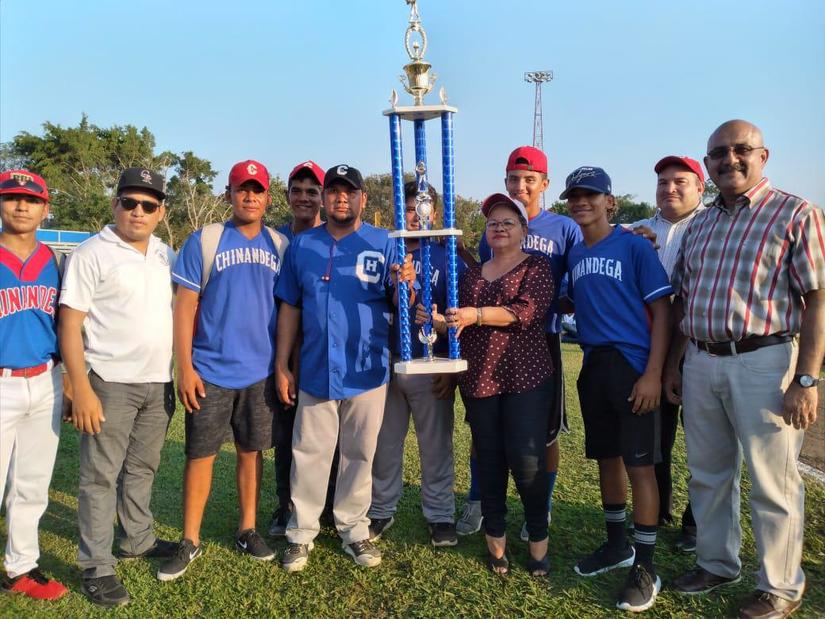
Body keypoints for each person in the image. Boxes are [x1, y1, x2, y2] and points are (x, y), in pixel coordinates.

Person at [667, 120, 824, 619]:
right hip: (701, 359)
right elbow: (683, 299)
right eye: (718, 153)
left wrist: (806, 378)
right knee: (708, 474)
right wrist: (674, 365)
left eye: (741, 150)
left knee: (773, 481)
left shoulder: (795, 213)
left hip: (765, 359)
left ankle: (780, 586)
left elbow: (818, 300)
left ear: (763, 155)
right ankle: (716, 563)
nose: (729, 159)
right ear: (707, 163)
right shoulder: (700, 224)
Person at [275, 164, 415, 571]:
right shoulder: (303, 245)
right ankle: (301, 533)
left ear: (362, 199)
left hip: (367, 369)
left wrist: (405, 283)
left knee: (359, 453)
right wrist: (282, 364)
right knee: (309, 453)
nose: (341, 197)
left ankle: (354, 529)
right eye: (334, 191)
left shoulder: (384, 242)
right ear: (324, 198)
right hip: (316, 368)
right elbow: (290, 306)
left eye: (349, 191)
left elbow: (402, 303)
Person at [158, 160, 289, 581]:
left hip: (260, 371)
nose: (250, 196)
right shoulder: (206, 240)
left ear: (268, 197)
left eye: (257, 190)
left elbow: (288, 309)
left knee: (251, 452)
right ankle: (189, 539)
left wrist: (283, 365)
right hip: (210, 369)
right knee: (200, 455)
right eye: (242, 189)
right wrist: (185, 366)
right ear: (229, 194)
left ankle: (247, 529)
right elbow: (184, 306)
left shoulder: (280, 244)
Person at [59, 167, 177, 607]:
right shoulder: (92, 253)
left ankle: (137, 538)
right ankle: (96, 565)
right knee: (100, 476)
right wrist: (80, 387)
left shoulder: (166, 253)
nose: (138, 211)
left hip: (157, 381)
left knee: (142, 468)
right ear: (115, 205)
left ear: (161, 212)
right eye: (129, 202)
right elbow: (69, 324)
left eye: (148, 205)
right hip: (109, 382)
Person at [561, 166, 671, 612]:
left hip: (632, 365)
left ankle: (645, 564)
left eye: (590, 195)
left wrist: (652, 374)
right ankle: (616, 545)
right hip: (594, 364)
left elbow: (662, 312)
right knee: (607, 459)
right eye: (574, 196)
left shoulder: (634, 245)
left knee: (640, 466)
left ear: (610, 201)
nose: (581, 202)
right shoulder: (575, 254)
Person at [458, 146, 582, 541]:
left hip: (541, 338)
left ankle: (539, 507)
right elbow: (483, 278)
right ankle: (478, 499)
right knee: (484, 428)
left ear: (544, 183)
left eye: (530, 179)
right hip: (491, 344)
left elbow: (581, 272)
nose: (521, 185)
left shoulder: (564, 228)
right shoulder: (494, 226)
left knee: (543, 434)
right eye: (514, 178)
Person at [431, 193, 554, 577]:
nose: (499, 228)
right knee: (489, 460)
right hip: (480, 379)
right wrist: (437, 320)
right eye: (493, 223)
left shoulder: (537, 265)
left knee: (527, 462)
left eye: (508, 222)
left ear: (524, 230)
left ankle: (538, 538)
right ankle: (495, 538)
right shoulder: (470, 275)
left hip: (526, 378)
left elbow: (526, 312)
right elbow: (458, 323)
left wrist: (477, 315)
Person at [368, 181, 461, 547]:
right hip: (388, 361)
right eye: (407, 209)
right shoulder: (385, 250)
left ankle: (440, 515)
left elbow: (456, 315)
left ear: (433, 215)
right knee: (384, 443)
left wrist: (449, 367)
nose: (413, 216)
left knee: (435, 445)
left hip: (430, 363)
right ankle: (381, 508)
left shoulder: (447, 255)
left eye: (420, 210)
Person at [631, 155, 705, 551]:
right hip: (651, 348)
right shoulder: (639, 229)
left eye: (680, 181)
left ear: (700, 188)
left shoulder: (711, 225)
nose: (670, 188)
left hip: (699, 346)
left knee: (705, 441)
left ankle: (696, 522)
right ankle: (657, 510)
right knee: (655, 436)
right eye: (663, 182)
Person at [0, 170, 68, 601]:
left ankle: (20, 567)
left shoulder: (56, 261)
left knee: (32, 484)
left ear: (45, 209)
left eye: (32, 199)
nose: (21, 205)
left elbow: (65, 326)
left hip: (46, 380)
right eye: (11, 197)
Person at [268, 159, 334, 538]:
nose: (305, 198)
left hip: (320, 352)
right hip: (280, 350)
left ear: (323, 197)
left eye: (313, 191)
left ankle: (328, 507)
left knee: (327, 436)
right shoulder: (274, 240)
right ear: (287, 195)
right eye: (298, 191)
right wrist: (282, 362)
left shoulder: (332, 238)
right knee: (286, 433)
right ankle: (287, 505)